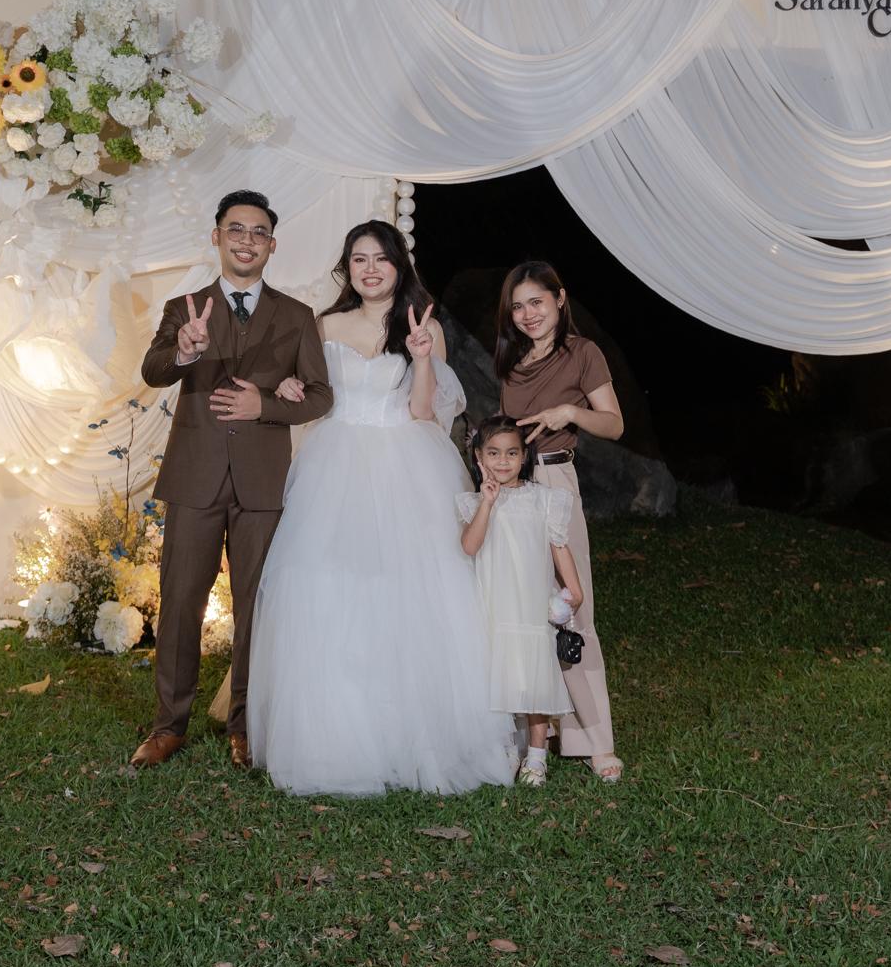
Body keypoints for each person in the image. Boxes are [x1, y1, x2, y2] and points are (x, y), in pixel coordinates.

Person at [248, 220, 516, 795]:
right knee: (329, 586)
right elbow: (313, 393)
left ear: (399, 265)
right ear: (347, 267)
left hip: (404, 462)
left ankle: (414, 733)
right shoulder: (325, 324)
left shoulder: (424, 326)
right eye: (359, 259)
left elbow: (424, 413)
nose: (370, 269)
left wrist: (422, 358)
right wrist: (291, 388)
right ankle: (336, 736)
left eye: (381, 259)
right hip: (336, 461)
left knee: (411, 590)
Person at [133, 191, 332, 770]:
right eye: (236, 230)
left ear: (273, 244)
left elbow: (321, 396)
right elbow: (153, 371)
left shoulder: (296, 316)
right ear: (216, 237)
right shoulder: (184, 307)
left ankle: (246, 725)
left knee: (256, 609)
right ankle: (168, 726)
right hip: (194, 478)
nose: (247, 241)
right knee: (179, 606)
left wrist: (264, 405)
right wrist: (184, 351)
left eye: (258, 232)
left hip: (263, 483)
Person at [495, 261, 626, 782]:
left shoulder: (583, 354)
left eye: (537, 302)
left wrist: (569, 414)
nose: (528, 314)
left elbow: (614, 424)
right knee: (522, 612)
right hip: (512, 490)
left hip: (555, 482)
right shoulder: (511, 362)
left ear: (560, 299)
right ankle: (536, 727)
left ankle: (595, 740)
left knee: (572, 606)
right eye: (518, 307)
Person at [457, 416, 584, 788]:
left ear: (524, 455)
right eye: (494, 453)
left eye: (511, 453)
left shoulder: (543, 499)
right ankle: (508, 746)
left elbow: (559, 546)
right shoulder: (476, 502)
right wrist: (487, 502)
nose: (503, 461)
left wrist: (574, 590)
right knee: (500, 674)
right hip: (494, 603)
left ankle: (537, 755)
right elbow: (470, 546)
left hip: (529, 605)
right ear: (479, 457)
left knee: (533, 678)